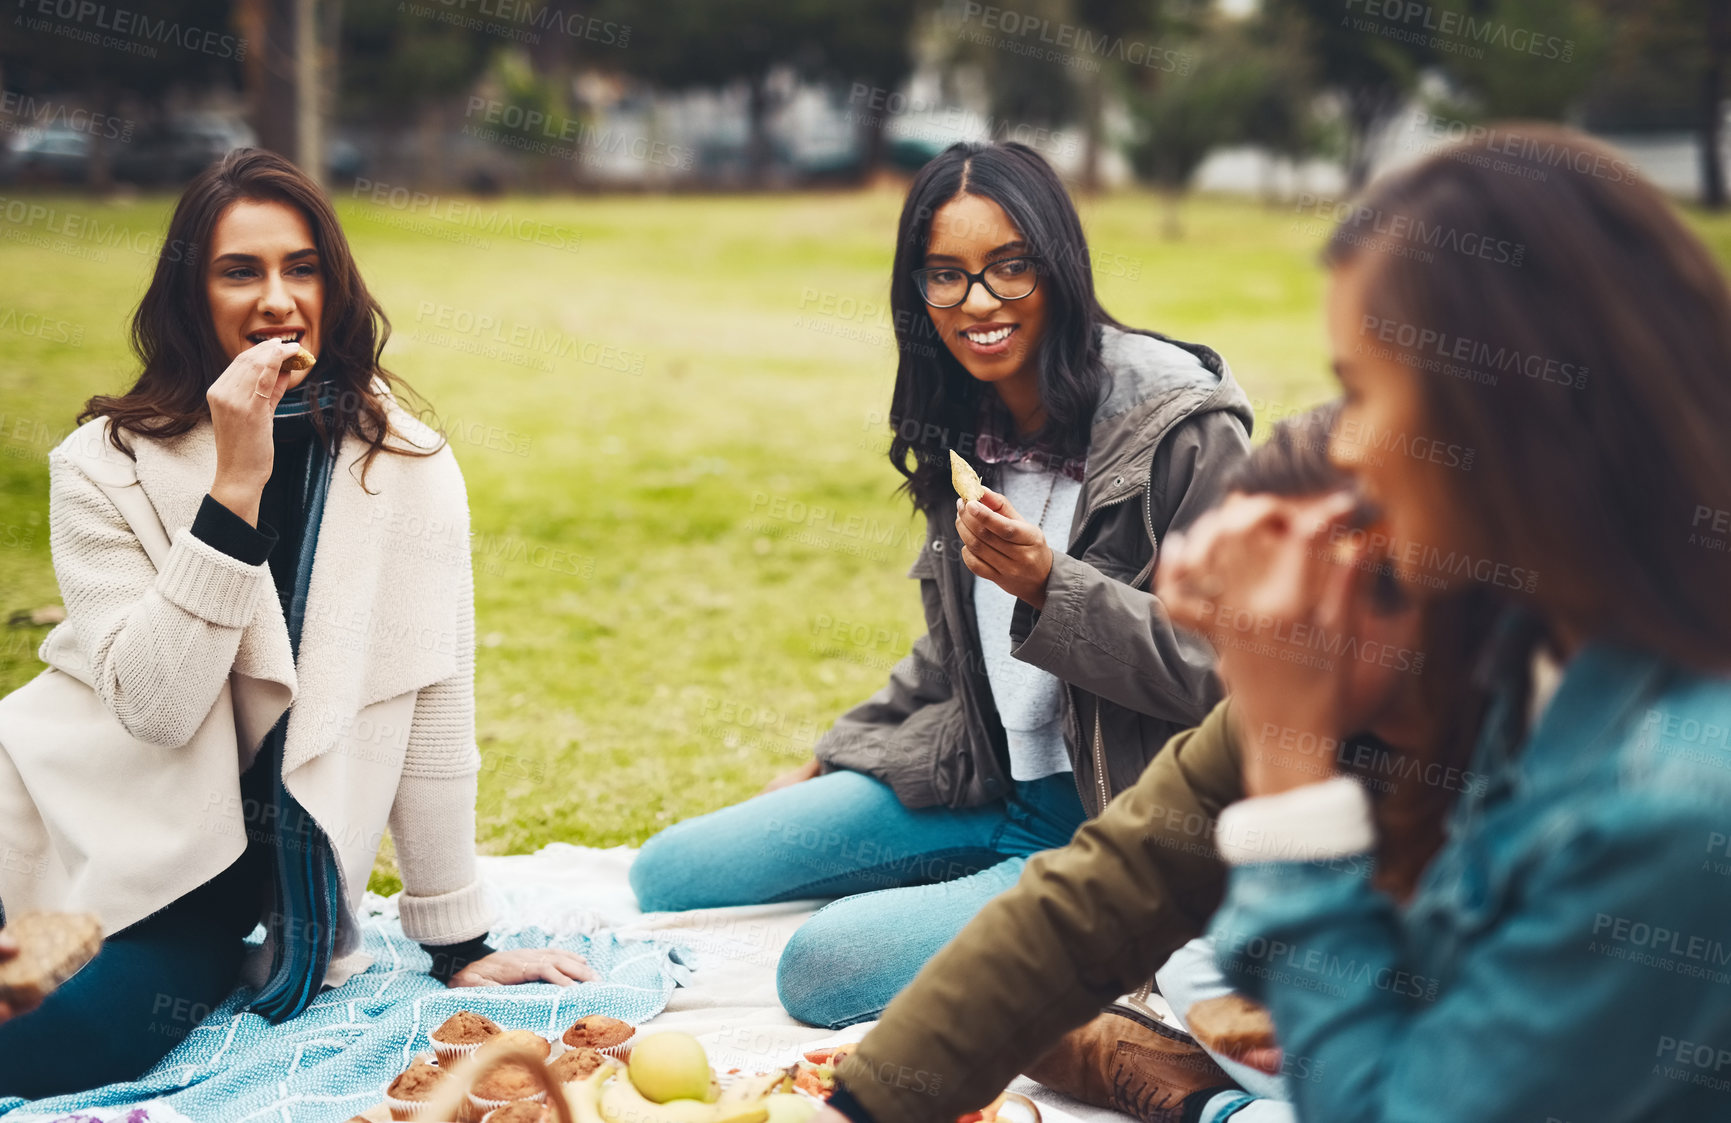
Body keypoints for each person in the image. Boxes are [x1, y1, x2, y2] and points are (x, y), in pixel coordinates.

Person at [821, 123, 1731, 1123]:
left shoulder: (1679, 802)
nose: (1337, 443)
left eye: (1357, 389)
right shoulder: (1451, 620)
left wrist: (1296, 792)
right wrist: (860, 1108)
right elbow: (1117, 884)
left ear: (1506, 418)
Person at [0, 150, 592, 1101]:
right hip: (62, 806)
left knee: (54, 1049)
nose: (277, 299)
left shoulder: (407, 464)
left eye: (301, 267)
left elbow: (435, 708)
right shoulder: (100, 465)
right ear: (192, 294)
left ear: (335, 286)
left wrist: (457, 939)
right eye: (241, 271)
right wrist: (235, 483)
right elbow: (156, 705)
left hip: (205, 876)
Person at [630, 141, 1253, 1027]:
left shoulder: (1180, 428)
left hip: (1121, 824)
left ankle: (1038, 917)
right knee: (668, 873)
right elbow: (955, 642)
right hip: (985, 781)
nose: (980, 304)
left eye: (1010, 268)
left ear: (1059, 266)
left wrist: (1051, 586)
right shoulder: (969, 410)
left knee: (822, 968)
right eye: (945, 276)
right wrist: (841, 748)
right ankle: (967, 886)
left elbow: (1229, 669)